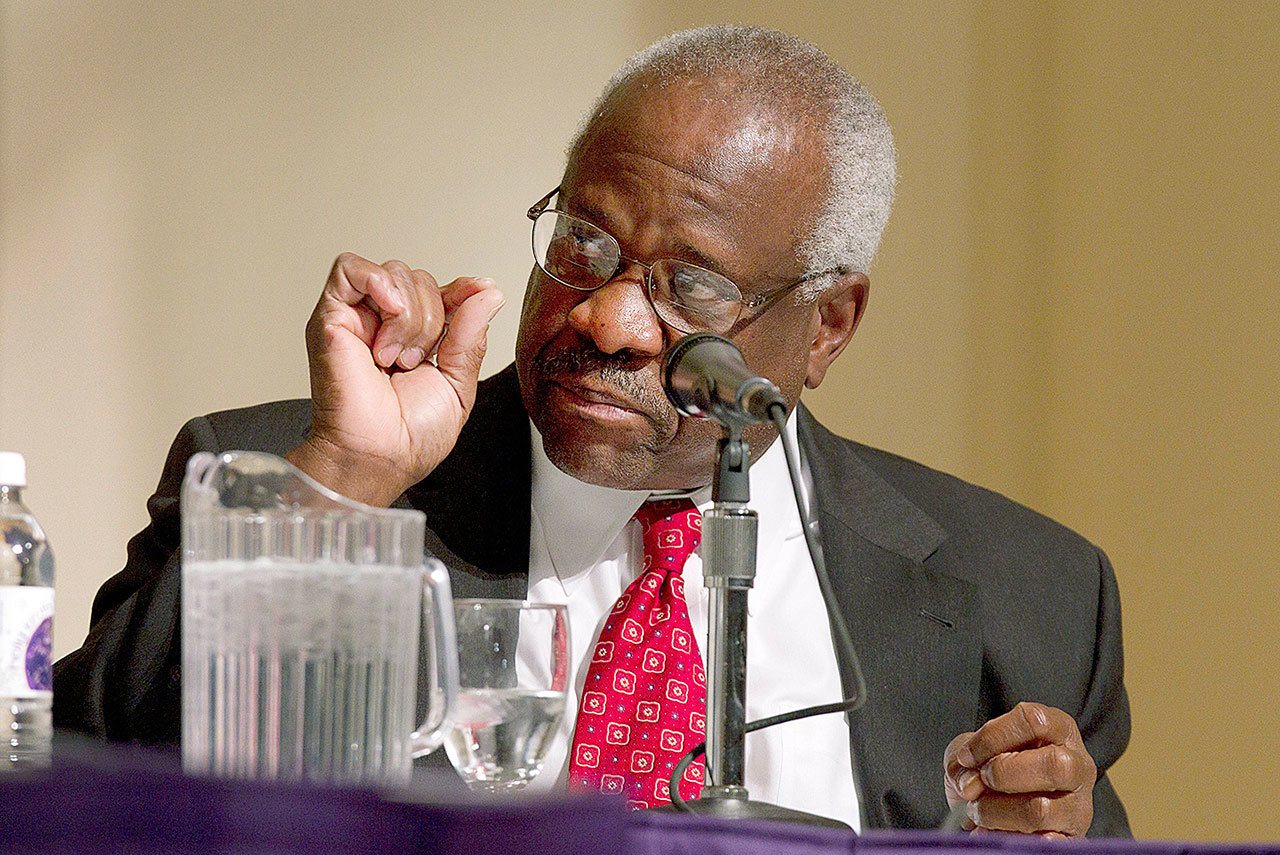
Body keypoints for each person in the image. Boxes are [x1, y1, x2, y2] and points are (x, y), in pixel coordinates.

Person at [54, 25, 1130, 836]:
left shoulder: (1022, 593)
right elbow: (84, 792)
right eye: (582, 241)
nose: (604, 316)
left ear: (826, 327)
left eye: (691, 287)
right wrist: (344, 483)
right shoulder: (307, 486)